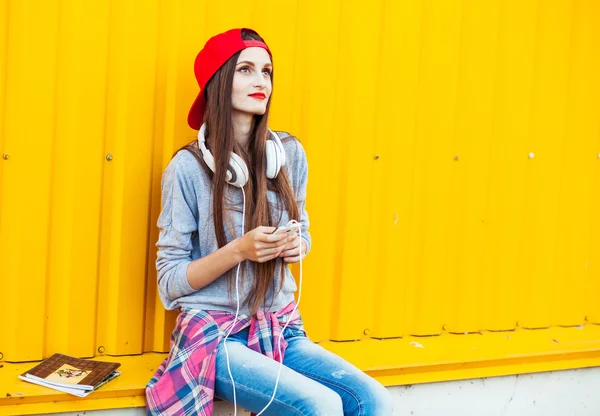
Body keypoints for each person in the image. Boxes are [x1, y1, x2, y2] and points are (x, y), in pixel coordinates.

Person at [145, 27, 394, 416]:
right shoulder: (186, 170)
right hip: (214, 335)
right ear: (218, 82)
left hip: (279, 326)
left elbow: (305, 231)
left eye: (267, 71)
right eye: (246, 69)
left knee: (374, 400)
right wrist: (238, 251)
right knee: (321, 406)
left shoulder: (289, 155)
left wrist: (297, 245)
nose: (261, 81)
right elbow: (169, 282)